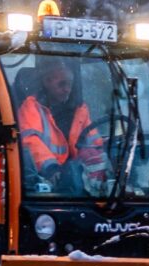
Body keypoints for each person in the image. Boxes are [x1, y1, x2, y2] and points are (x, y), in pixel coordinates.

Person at [18, 59, 108, 194]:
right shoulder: (32, 107)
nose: (67, 89)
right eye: (62, 84)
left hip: (76, 178)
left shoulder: (80, 109)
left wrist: (104, 164)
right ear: (47, 82)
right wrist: (51, 168)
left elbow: (93, 142)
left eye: (69, 85)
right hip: (46, 180)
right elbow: (30, 141)